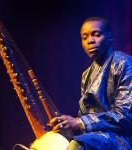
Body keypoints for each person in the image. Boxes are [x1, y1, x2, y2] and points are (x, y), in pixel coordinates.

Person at [50, 17, 132, 150]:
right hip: (97, 137)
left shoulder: (125, 64)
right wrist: (67, 126)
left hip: (123, 138)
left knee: (77, 146)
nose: (90, 41)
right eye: (85, 37)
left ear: (110, 38)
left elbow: (125, 116)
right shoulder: (86, 75)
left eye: (96, 34)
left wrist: (79, 123)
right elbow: (83, 116)